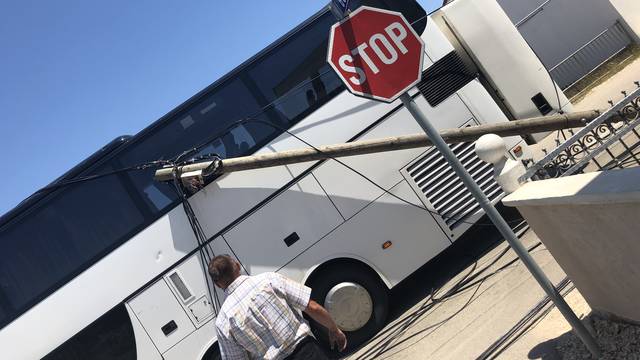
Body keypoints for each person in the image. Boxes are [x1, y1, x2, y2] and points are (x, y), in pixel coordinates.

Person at [208, 254, 347, 360]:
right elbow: (312, 307)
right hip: (307, 351)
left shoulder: (222, 321)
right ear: (237, 266)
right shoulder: (269, 280)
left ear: (217, 284)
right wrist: (334, 329)